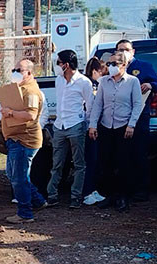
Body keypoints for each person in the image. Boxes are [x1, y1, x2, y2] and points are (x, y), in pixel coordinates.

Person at [88, 51, 143, 212]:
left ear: (124, 65)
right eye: (109, 64)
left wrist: (131, 125)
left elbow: (137, 105)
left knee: (123, 162)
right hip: (106, 126)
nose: (111, 67)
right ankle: (109, 195)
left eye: (115, 64)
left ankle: (123, 196)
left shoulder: (132, 81)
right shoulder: (104, 81)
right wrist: (93, 125)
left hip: (123, 126)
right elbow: (98, 104)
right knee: (106, 162)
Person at [1, 58, 47, 224]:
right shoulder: (19, 88)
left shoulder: (31, 91)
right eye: (14, 69)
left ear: (29, 72)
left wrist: (10, 112)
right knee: (14, 175)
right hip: (15, 139)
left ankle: (25, 213)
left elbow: (31, 115)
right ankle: (38, 201)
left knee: (19, 178)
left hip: (24, 140)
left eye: (19, 70)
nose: (15, 72)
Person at [116, 39, 157, 202]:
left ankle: (141, 190)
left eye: (126, 49)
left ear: (133, 51)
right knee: (121, 155)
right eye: (120, 49)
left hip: (140, 116)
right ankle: (123, 189)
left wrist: (150, 84)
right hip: (117, 118)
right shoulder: (113, 67)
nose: (123, 52)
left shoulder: (143, 66)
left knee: (139, 153)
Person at [47, 49, 93, 209]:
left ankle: (75, 197)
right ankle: (52, 195)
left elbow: (90, 106)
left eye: (59, 63)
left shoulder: (84, 82)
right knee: (57, 163)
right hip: (60, 125)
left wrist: (86, 124)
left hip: (75, 125)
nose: (57, 66)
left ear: (66, 65)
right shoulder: (59, 80)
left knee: (79, 163)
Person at [82, 56, 107, 206]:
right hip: (90, 127)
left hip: (96, 126)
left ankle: (93, 189)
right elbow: (90, 108)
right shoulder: (90, 86)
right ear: (96, 71)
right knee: (90, 161)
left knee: (96, 160)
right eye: (103, 73)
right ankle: (87, 191)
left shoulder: (95, 84)